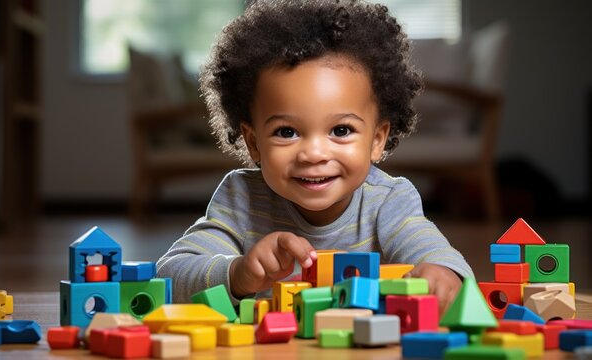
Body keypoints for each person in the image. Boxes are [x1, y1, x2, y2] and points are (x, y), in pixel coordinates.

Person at [157, 0, 474, 314]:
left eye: (340, 130)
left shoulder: (389, 202)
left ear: (377, 139)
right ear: (253, 143)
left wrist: (442, 274)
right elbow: (169, 276)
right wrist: (238, 273)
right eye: (286, 132)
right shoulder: (241, 199)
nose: (313, 153)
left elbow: (440, 257)